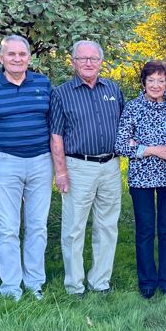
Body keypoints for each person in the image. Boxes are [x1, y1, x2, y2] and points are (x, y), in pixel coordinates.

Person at [0, 35, 53, 301]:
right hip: (5, 164)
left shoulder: (43, 84)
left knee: (37, 226)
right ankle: (11, 288)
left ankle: (35, 283)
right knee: (7, 228)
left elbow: (53, 125)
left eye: (22, 54)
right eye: (11, 54)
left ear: (29, 58)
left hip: (41, 161)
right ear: (1, 58)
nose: (17, 59)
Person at [49, 40, 125, 296]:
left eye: (93, 59)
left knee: (107, 226)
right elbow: (56, 136)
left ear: (101, 62)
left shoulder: (113, 88)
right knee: (73, 228)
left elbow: (124, 128)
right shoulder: (61, 93)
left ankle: (100, 281)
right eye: (82, 59)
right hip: (77, 166)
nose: (89, 63)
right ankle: (74, 284)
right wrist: (60, 172)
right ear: (73, 62)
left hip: (111, 166)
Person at [115, 60, 166, 298]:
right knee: (145, 230)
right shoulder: (132, 108)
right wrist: (154, 149)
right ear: (143, 83)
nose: (155, 85)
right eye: (151, 80)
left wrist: (140, 146)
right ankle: (147, 280)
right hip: (140, 178)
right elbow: (121, 145)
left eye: (160, 81)